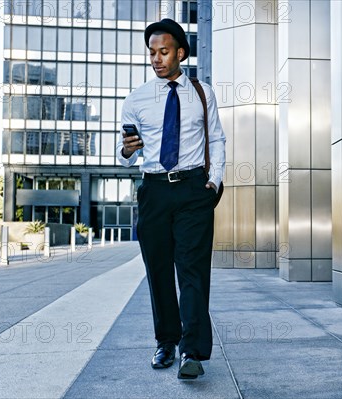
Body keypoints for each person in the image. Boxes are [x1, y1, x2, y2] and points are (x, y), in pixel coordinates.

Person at [116, 18, 225, 380]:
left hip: (194, 190)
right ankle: (166, 342)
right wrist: (126, 151)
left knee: (192, 271)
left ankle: (191, 352)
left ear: (180, 52)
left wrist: (214, 182)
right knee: (159, 270)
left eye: (163, 51)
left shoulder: (202, 92)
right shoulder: (136, 99)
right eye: (152, 52)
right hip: (154, 190)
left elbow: (217, 140)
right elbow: (127, 152)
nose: (156, 59)